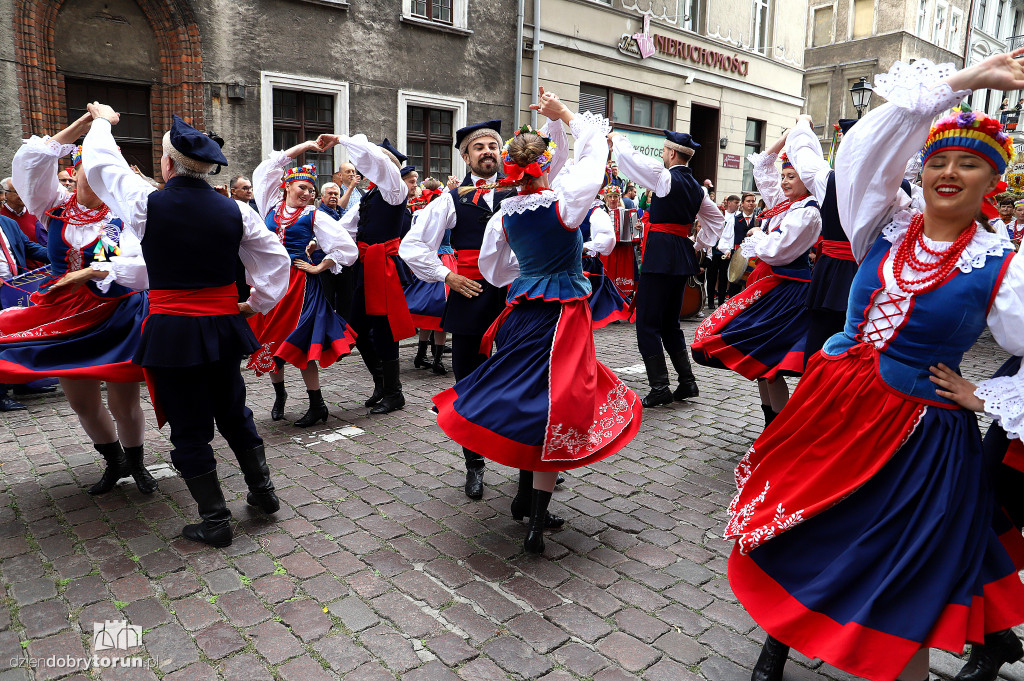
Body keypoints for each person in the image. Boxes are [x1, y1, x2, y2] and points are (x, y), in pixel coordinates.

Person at [726, 54, 1024, 681]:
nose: (949, 172)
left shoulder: (1001, 264)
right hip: (834, 402)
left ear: (992, 180)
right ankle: (778, 638)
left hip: (918, 430)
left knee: (901, 564)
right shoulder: (882, 224)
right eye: (938, 160)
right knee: (805, 519)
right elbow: (864, 149)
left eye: (969, 163)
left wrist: (990, 397)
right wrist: (963, 83)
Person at [433, 96, 642, 554]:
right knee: (559, 403)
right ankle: (535, 517)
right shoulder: (566, 205)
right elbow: (593, 156)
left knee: (526, 398)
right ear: (545, 166)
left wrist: (529, 273)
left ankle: (525, 499)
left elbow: (494, 273)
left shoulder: (503, 216)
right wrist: (564, 116)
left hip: (521, 313)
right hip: (563, 316)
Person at [83, 106, 291, 547]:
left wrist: (102, 121)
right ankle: (263, 492)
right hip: (222, 326)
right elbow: (276, 261)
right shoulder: (237, 210)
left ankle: (215, 521)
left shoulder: (145, 202)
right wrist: (255, 303)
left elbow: (102, 164)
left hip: (173, 330)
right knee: (233, 411)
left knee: (190, 425)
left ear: (167, 163)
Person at [400, 95, 568, 500]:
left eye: (493, 145)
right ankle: (474, 463)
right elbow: (412, 245)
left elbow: (557, 157)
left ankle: (531, 465)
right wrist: (447, 276)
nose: (487, 152)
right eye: (478, 147)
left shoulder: (526, 187)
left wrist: (556, 120)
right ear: (465, 157)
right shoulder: (451, 198)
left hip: (520, 300)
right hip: (471, 296)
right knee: (469, 382)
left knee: (527, 381)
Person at [0, 118, 160, 497]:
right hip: (65, 314)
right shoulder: (53, 206)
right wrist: (86, 122)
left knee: (124, 403)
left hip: (117, 313)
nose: (100, 176)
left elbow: (141, 266)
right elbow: (31, 162)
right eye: (92, 167)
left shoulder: (125, 215)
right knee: (82, 402)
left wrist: (92, 271)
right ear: (75, 171)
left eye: (107, 169)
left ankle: (137, 463)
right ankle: (114, 462)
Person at [691, 142, 821, 425]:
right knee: (761, 364)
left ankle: (778, 432)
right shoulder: (786, 205)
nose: (784, 181)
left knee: (770, 363)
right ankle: (769, 427)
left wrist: (758, 236)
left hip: (789, 292)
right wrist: (786, 138)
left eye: (791, 176)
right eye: (783, 176)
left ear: (808, 178)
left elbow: (778, 250)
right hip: (772, 285)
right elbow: (763, 167)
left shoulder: (808, 211)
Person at [610, 129, 725, 407]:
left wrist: (617, 140)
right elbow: (717, 221)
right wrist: (697, 244)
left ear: (672, 153)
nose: (662, 155)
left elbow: (631, 160)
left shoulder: (665, 177)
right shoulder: (698, 188)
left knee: (648, 323)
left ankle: (660, 386)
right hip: (680, 255)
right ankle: (687, 381)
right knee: (670, 323)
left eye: (663, 151)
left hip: (661, 254)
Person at [250, 145, 359, 426]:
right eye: (303, 188)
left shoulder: (314, 215)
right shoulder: (270, 206)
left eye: (311, 190)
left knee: (302, 340)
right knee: (269, 339)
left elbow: (347, 247)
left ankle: (317, 403)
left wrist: (320, 266)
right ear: (287, 186)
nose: (308, 194)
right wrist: (306, 147)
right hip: (271, 283)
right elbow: (265, 170)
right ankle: (280, 395)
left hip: (301, 286)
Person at [315, 136, 415, 415]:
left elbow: (382, 162)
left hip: (383, 265)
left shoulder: (394, 189)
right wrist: (318, 243)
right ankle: (381, 383)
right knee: (356, 327)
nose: (367, 166)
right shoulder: (371, 195)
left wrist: (342, 139)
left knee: (384, 329)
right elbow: (345, 229)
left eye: (371, 162)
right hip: (365, 265)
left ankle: (394, 393)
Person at [0, 209, 52, 413]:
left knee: (18, 338)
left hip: (13, 289)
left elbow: (29, 248)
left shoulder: (8, 222)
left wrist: (60, 255)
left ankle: (22, 383)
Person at [403, 178, 451, 374]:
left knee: (428, 312)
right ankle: (437, 360)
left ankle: (421, 355)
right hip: (444, 261)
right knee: (441, 311)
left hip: (424, 263)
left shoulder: (418, 214)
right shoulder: (445, 214)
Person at [580, 193, 632, 328]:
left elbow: (607, 239)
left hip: (586, 263)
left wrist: (584, 247)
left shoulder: (596, 212)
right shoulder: (564, 207)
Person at [706, 194, 739, 308]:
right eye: (736, 203)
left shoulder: (737, 216)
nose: (737, 205)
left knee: (724, 277)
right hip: (714, 250)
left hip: (727, 251)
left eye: (738, 203)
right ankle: (711, 301)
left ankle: (721, 301)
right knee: (711, 276)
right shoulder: (719, 214)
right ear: (729, 203)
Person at [726, 193, 760, 298]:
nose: (751, 203)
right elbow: (726, 237)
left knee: (752, 286)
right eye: (748, 201)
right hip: (737, 256)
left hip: (754, 259)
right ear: (742, 204)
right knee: (734, 286)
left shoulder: (759, 220)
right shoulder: (734, 219)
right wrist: (727, 250)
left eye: (753, 201)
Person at [1, 178, 47, 251]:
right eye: (18, 192)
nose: (24, 195)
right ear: (5, 194)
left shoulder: (36, 213)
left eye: (27, 191)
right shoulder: (2, 216)